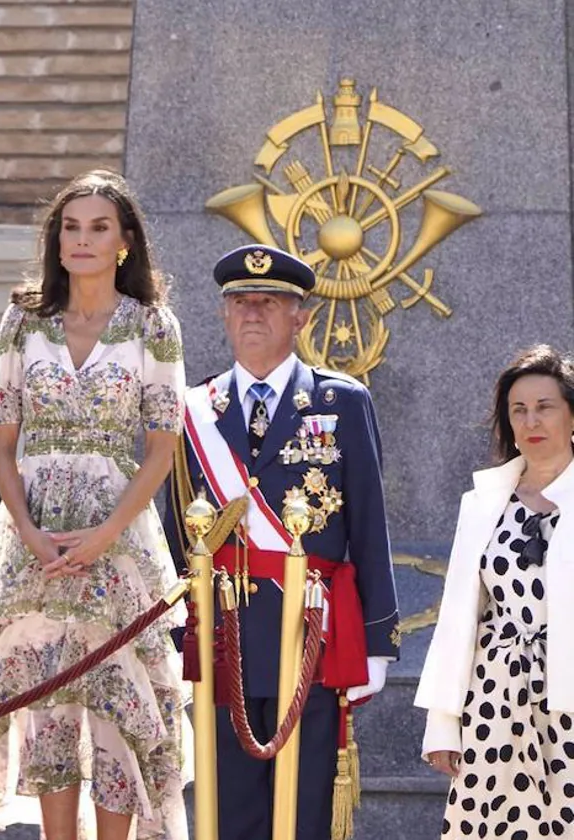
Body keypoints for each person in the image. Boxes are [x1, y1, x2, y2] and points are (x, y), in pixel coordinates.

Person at [0, 169, 191, 840]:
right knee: (46, 714)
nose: (82, 240)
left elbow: (162, 450)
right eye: (70, 227)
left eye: (99, 227)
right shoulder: (23, 319)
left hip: (118, 539)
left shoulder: (153, 324)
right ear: (56, 242)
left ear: (125, 242)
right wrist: (28, 531)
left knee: (115, 705)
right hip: (33, 540)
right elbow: (1, 446)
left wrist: (105, 534)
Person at [160, 244, 400, 840]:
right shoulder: (195, 411)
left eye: (269, 303)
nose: (252, 314)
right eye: (240, 302)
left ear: (301, 317)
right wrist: (170, 636)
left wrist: (377, 642)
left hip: (310, 633)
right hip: (222, 634)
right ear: (222, 314)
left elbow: (369, 523)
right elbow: (174, 533)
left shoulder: (340, 402)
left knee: (303, 808)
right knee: (229, 808)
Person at [416, 344, 574, 838]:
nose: (532, 420)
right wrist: (443, 724)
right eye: (518, 409)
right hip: (494, 698)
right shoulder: (483, 503)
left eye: (545, 406)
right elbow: (458, 622)